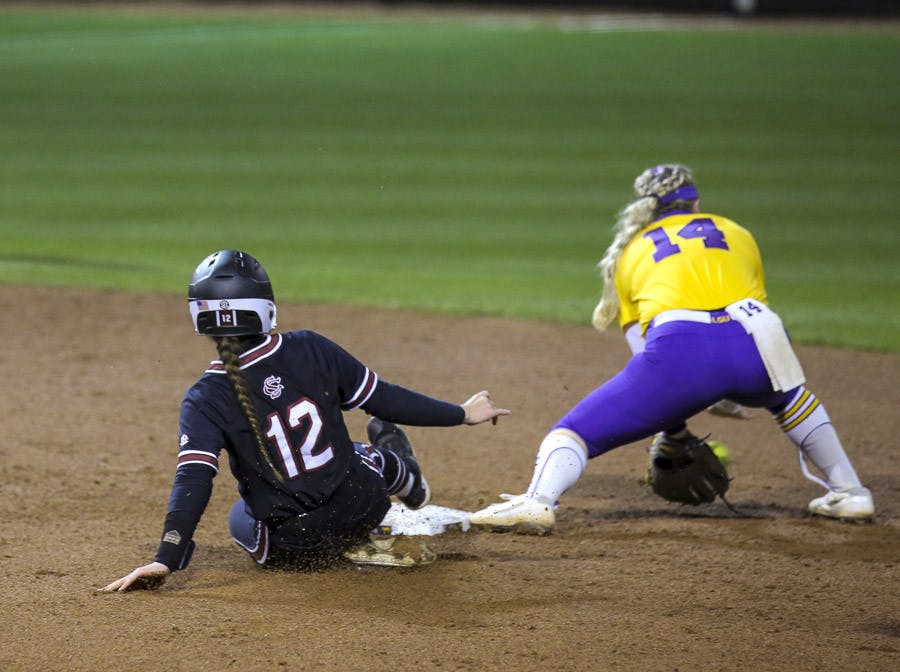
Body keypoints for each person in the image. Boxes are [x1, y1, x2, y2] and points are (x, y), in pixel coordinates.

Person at [470, 163, 874, 534]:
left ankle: (538, 501)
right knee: (790, 399)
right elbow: (748, 308)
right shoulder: (736, 231)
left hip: (683, 347)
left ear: (645, 208)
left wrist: (674, 425)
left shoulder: (631, 251)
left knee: (572, 433)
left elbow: (646, 354)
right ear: (696, 202)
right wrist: (730, 392)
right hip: (757, 334)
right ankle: (851, 492)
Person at [101, 249, 509, 591]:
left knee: (240, 514)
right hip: (362, 505)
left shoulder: (203, 397)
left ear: (200, 318)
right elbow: (384, 400)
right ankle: (407, 482)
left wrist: (165, 559)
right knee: (360, 456)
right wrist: (462, 414)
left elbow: (192, 481)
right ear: (266, 308)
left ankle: (367, 518)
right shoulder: (311, 348)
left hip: (294, 547)